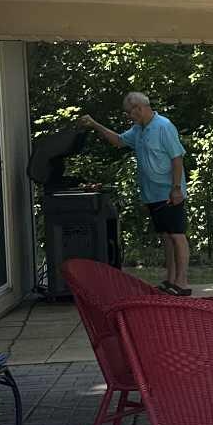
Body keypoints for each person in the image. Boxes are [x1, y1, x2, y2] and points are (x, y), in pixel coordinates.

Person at [79, 93, 192, 294]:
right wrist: (95, 124)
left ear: (139, 108)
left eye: (130, 113)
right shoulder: (138, 130)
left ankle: (182, 283)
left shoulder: (164, 126)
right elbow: (119, 141)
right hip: (152, 194)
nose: (129, 117)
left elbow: (177, 158)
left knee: (177, 235)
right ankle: (170, 280)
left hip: (168, 192)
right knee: (166, 236)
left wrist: (176, 188)